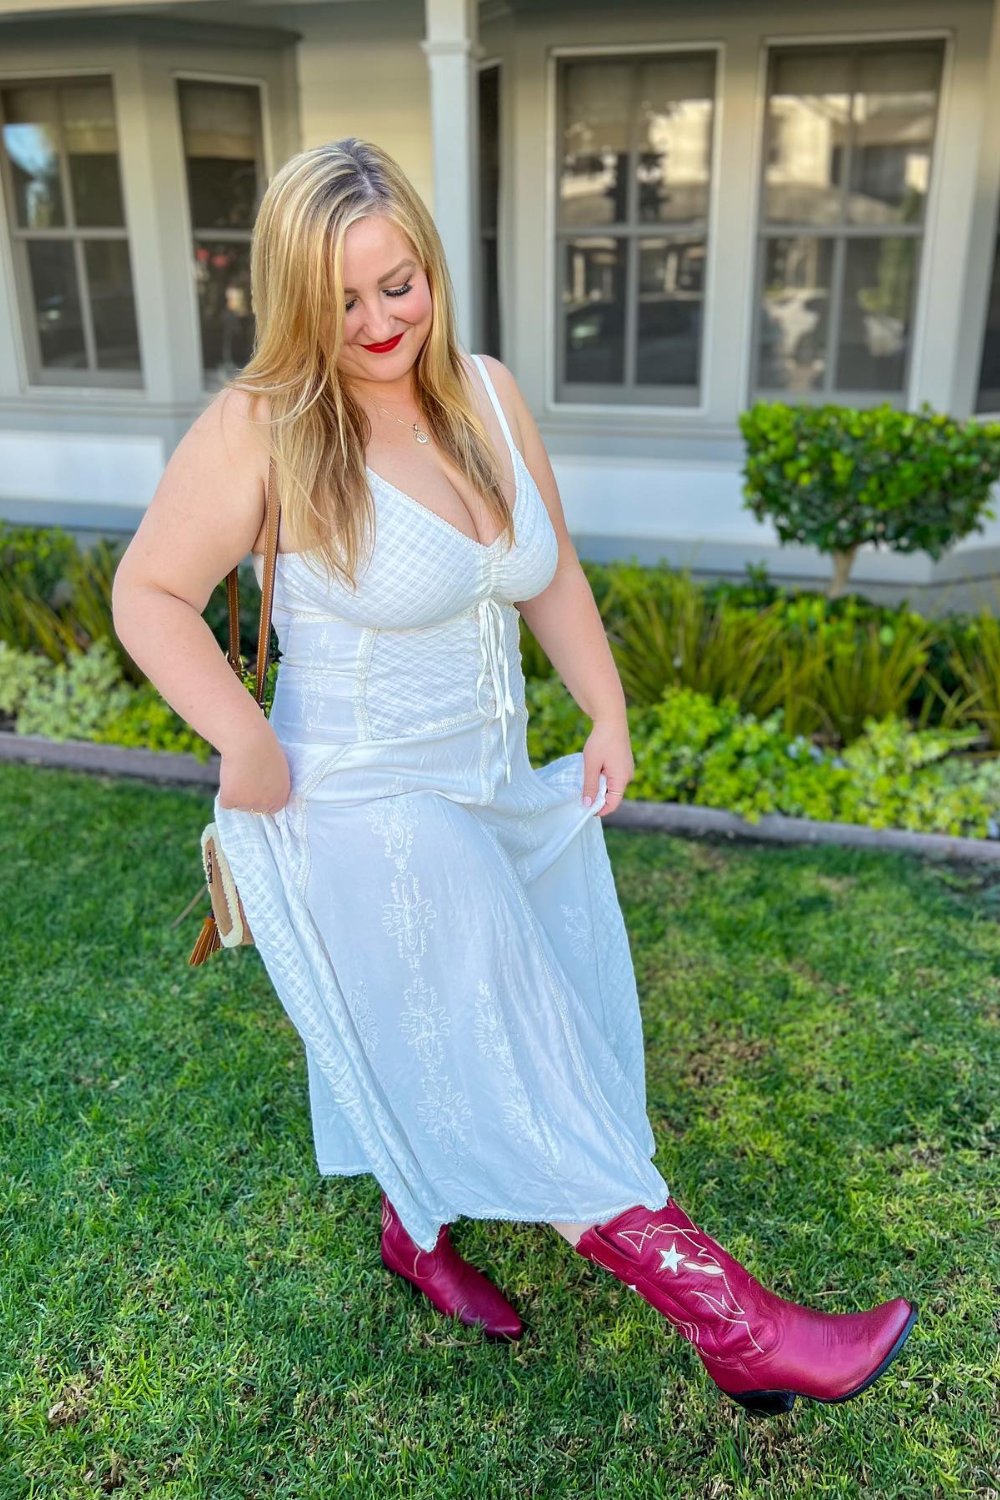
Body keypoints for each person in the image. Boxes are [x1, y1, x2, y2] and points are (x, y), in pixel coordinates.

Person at [111, 137, 917, 1417]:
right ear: (295, 300)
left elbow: (546, 568)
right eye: (343, 299)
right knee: (515, 1042)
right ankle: (739, 1326)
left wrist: (604, 708)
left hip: (491, 778)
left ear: (430, 265)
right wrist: (243, 739)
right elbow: (146, 592)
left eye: (400, 282)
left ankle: (413, 1229)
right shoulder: (265, 427)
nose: (378, 322)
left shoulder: (483, 392)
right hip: (364, 798)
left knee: (491, 1014)